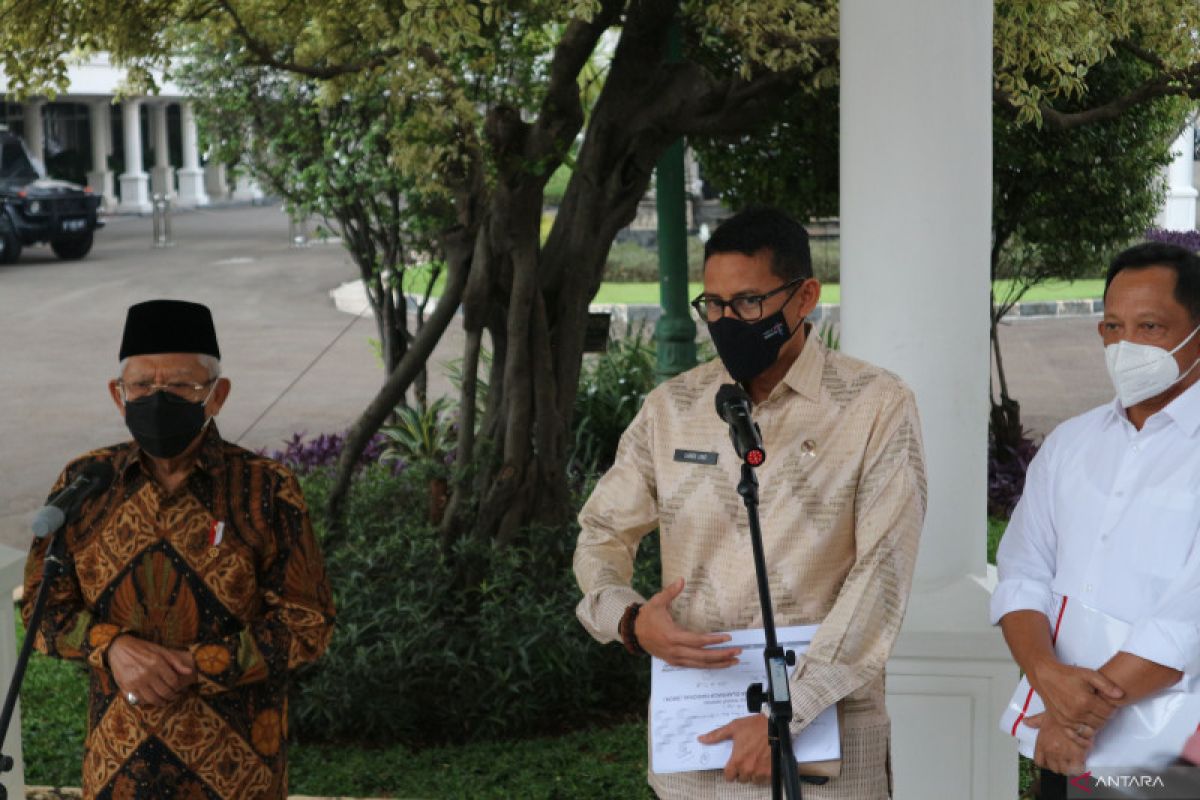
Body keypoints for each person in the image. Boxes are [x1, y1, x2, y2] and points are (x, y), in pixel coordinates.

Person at [573, 207, 927, 798]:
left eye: (747, 302)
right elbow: (601, 532)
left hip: (827, 757)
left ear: (805, 296)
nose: (726, 320)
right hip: (698, 751)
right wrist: (631, 620)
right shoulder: (673, 408)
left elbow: (883, 574)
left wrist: (787, 715)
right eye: (713, 304)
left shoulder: (876, 405)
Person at [22, 299, 335, 800]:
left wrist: (197, 665)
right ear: (117, 395)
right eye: (142, 386)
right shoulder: (85, 483)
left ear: (216, 395)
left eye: (180, 385)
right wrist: (114, 648)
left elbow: (308, 622)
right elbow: (42, 609)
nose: (158, 398)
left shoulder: (265, 489)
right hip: (116, 771)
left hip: (238, 775)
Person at [991, 242, 1200, 799]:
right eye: (1112, 326)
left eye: (1150, 326)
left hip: (1174, 756)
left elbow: (1187, 620)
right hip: (1060, 744)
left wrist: (1077, 716)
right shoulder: (1070, 444)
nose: (1124, 345)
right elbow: (1021, 574)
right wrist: (1046, 677)